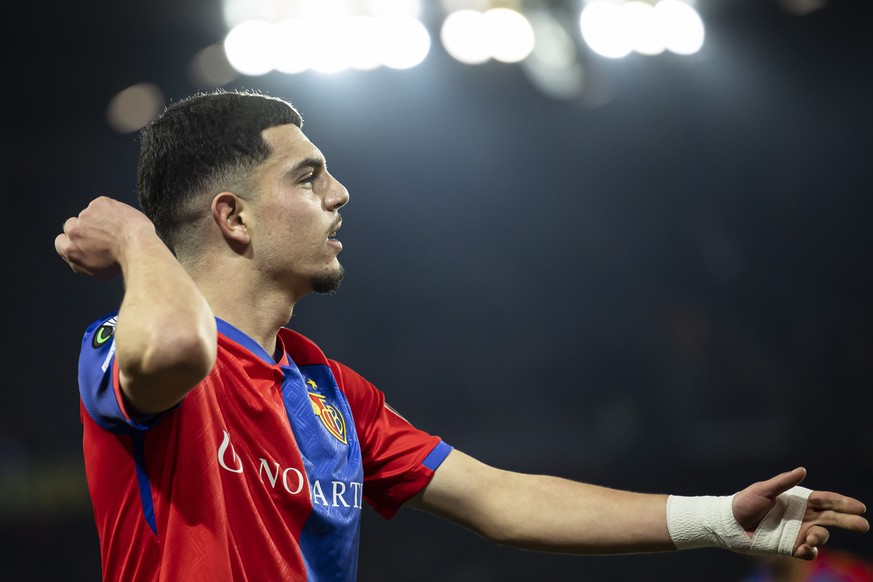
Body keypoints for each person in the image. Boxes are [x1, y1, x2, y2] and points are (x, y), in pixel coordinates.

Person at [54, 89, 869, 581]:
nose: (340, 193)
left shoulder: (331, 392)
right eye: (307, 176)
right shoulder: (117, 348)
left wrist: (717, 519)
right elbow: (173, 349)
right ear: (231, 217)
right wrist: (133, 235)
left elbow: (500, 498)